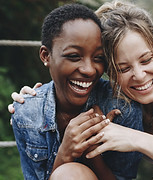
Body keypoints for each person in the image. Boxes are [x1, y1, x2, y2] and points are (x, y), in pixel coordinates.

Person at [9, 1, 153, 179]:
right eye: (123, 68)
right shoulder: (124, 105)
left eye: (146, 60)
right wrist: (36, 101)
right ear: (110, 73)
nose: (140, 75)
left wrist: (139, 139)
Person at [9, 3, 143, 180]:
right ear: (45, 56)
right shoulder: (26, 113)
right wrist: (65, 153)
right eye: (74, 56)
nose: (89, 70)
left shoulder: (122, 107)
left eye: (98, 58)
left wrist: (93, 150)